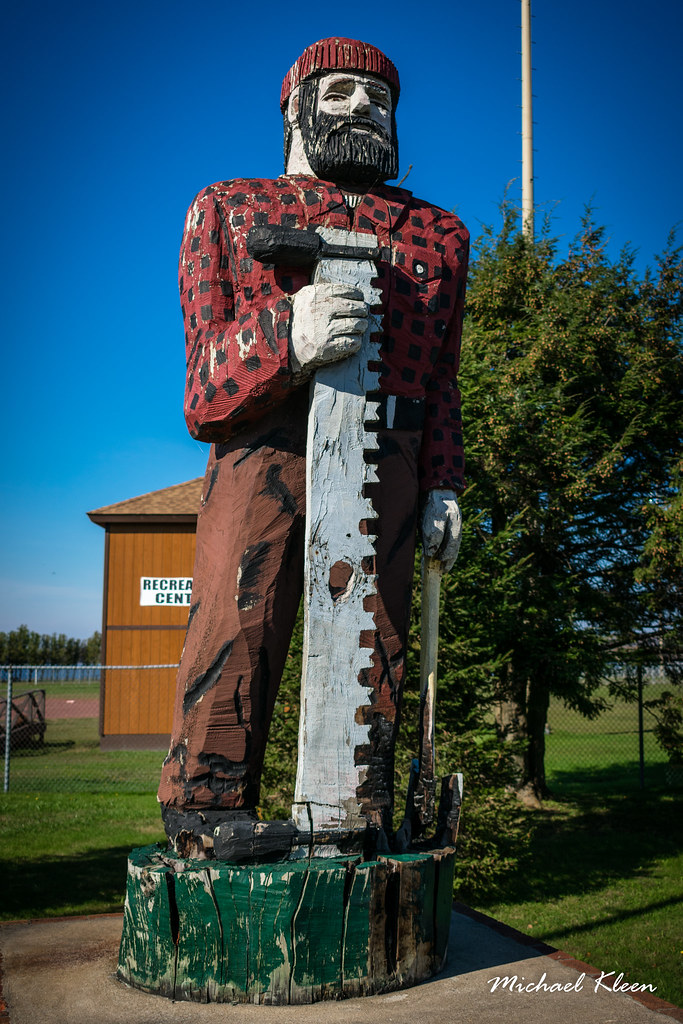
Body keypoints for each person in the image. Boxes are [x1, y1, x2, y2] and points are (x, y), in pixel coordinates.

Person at [158, 38, 469, 858]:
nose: (362, 108)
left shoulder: (438, 235)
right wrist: (283, 337)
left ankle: (353, 807)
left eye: (378, 97)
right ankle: (206, 806)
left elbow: (443, 375)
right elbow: (202, 391)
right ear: (294, 108)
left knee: (379, 633)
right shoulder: (226, 206)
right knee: (237, 616)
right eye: (337, 92)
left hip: (390, 447)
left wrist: (442, 481)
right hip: (263, 444)